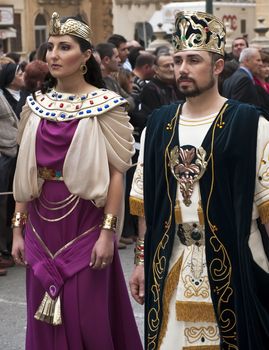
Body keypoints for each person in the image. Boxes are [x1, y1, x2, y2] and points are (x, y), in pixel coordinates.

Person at [129, 10, 269, 350]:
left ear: (218, 66)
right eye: (178, 60)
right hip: (171, 262)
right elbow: (148, 204)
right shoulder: (158, 126)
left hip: (237, 263)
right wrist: (140, 262)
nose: (183, 69)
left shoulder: (252, 125)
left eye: (194, 59)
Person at [11, 12, 143, 350]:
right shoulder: (36, 106)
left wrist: (108, 234)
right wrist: (17, 229)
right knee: (41, 314)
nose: (53, 54)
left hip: (86, 221)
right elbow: (25, 172)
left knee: (88, 314)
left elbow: (117, 172)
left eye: (64, 47)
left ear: (85, 57)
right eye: (50, 46)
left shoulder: (106, 106)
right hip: (41, 223)